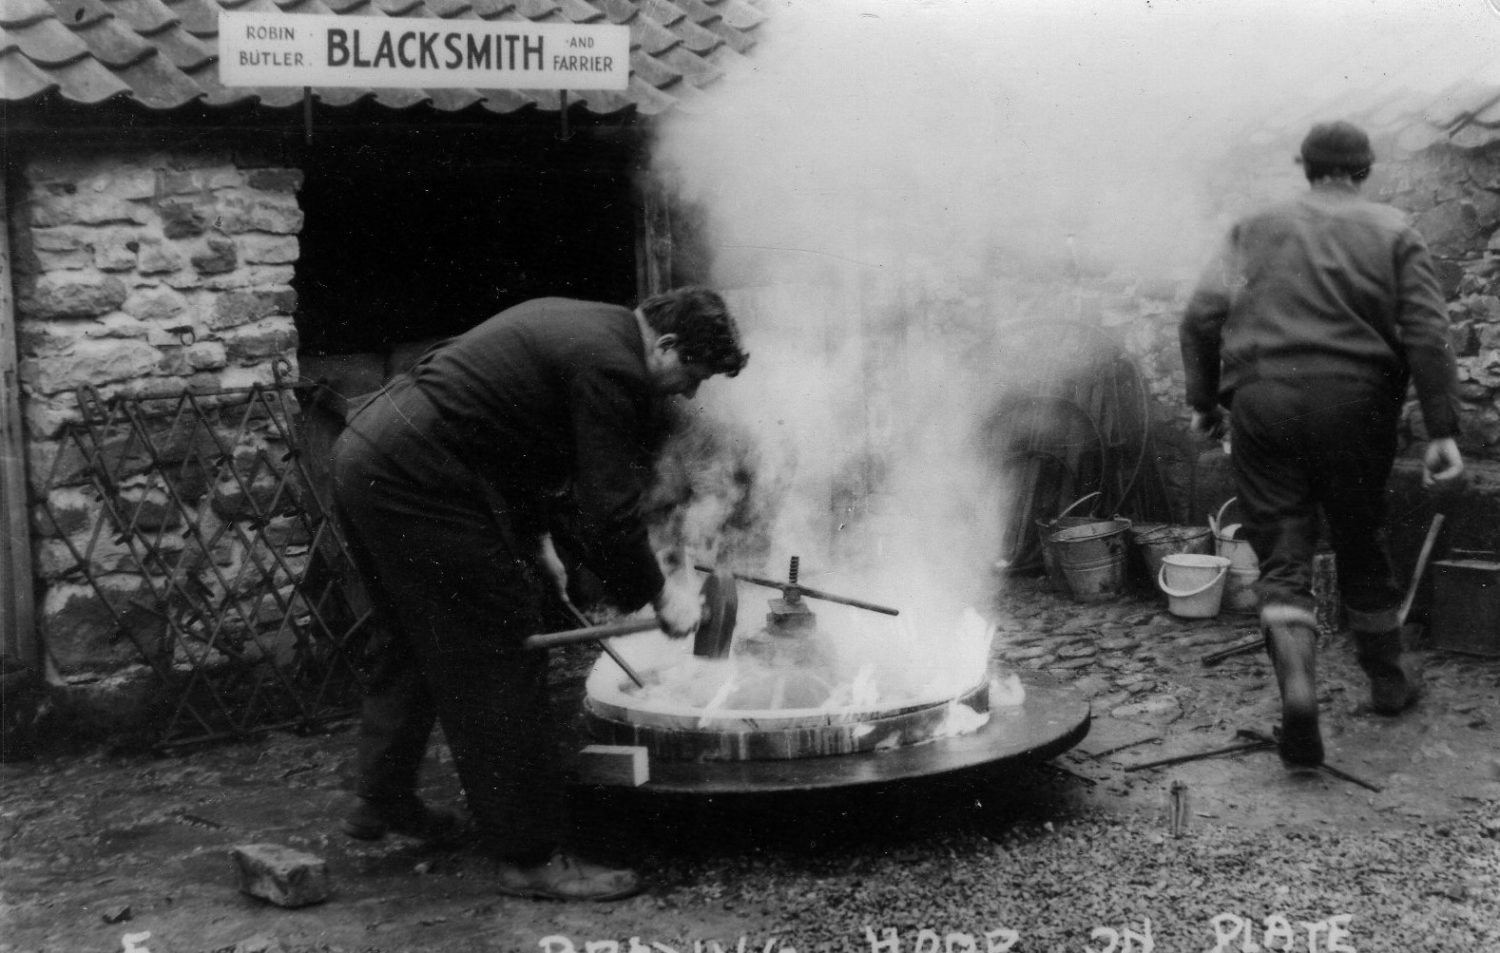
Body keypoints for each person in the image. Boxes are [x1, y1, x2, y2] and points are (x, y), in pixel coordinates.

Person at [331, 287, 749, 900]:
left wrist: (537, 544)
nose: (689, 393)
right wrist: (660, 596)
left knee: (409, 633)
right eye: (692, 374)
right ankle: (529, 857)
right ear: (665, 345)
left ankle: (383, 799)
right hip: (417, 474)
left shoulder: (588, 325)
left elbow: (516, 441)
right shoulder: (614, 367)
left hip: (367, 452)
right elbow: (610, 510)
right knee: (500, 650)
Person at [1179, 121, 1465, 768]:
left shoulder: (1252, 226)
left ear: (1303, 166)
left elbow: (1199, 316)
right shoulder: (1395, 230)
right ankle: (1389, 682)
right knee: (1362, 538)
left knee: (1282, 554)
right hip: (1356, 407)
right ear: (1365, 170)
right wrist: (1444, 430)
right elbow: (1426, 332)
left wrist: (1203, 406)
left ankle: (1299, 695)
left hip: (1264, 404)